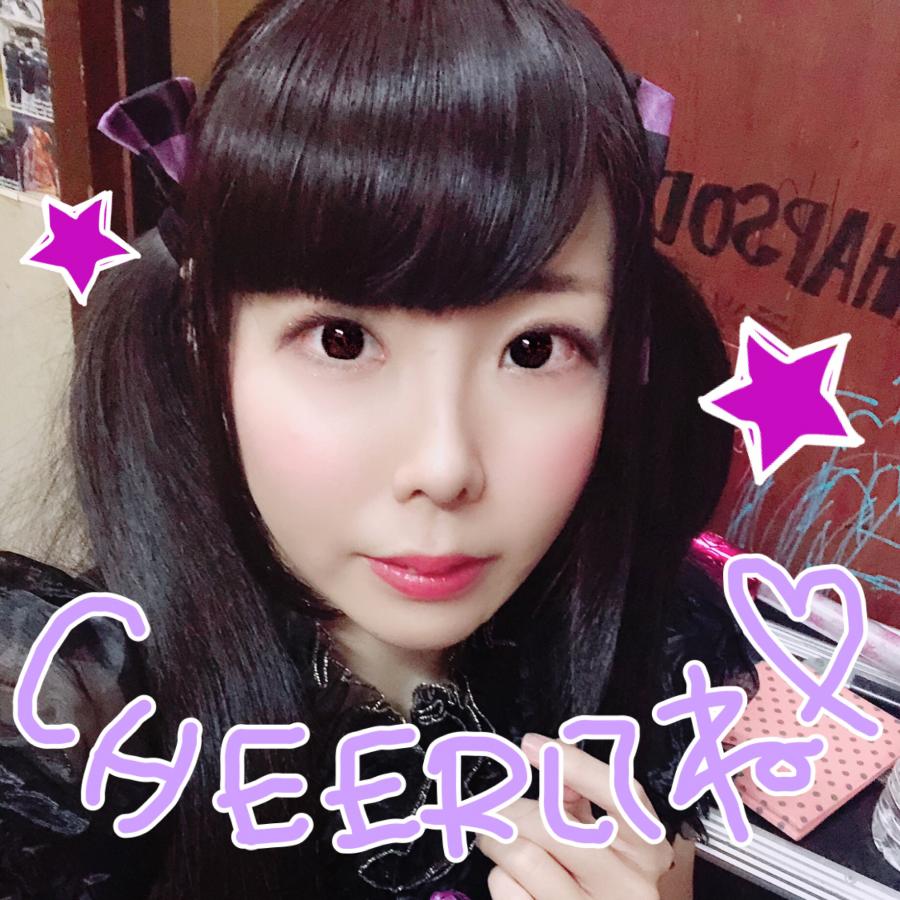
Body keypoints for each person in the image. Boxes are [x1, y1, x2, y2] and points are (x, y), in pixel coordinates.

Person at [0, 1, 759, 897]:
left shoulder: (650, 642)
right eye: (343, 341)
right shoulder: (71, 730)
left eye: (534, 349)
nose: (444, 467)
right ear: (207, 344)